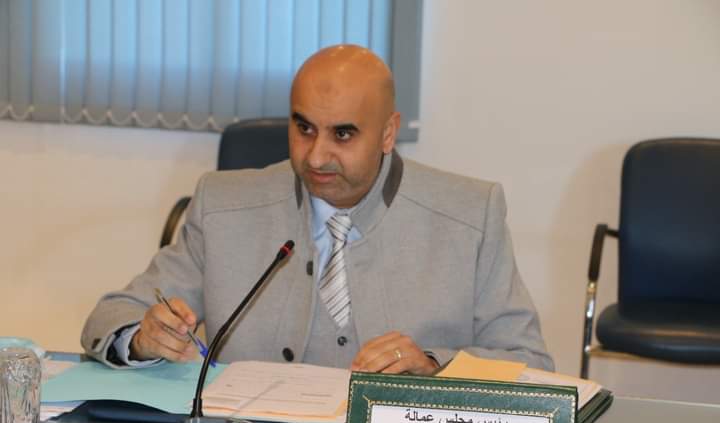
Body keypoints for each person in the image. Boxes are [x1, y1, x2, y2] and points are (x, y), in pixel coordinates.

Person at [81, 44, 554, 374]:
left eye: (342, 134)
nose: (316, 156)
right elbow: (110, 317)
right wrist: (142, 338)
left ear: (388, 133)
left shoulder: (470, 215)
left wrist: (434, 365)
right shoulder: (223, 206)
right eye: (303, 128)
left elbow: (528, 362)